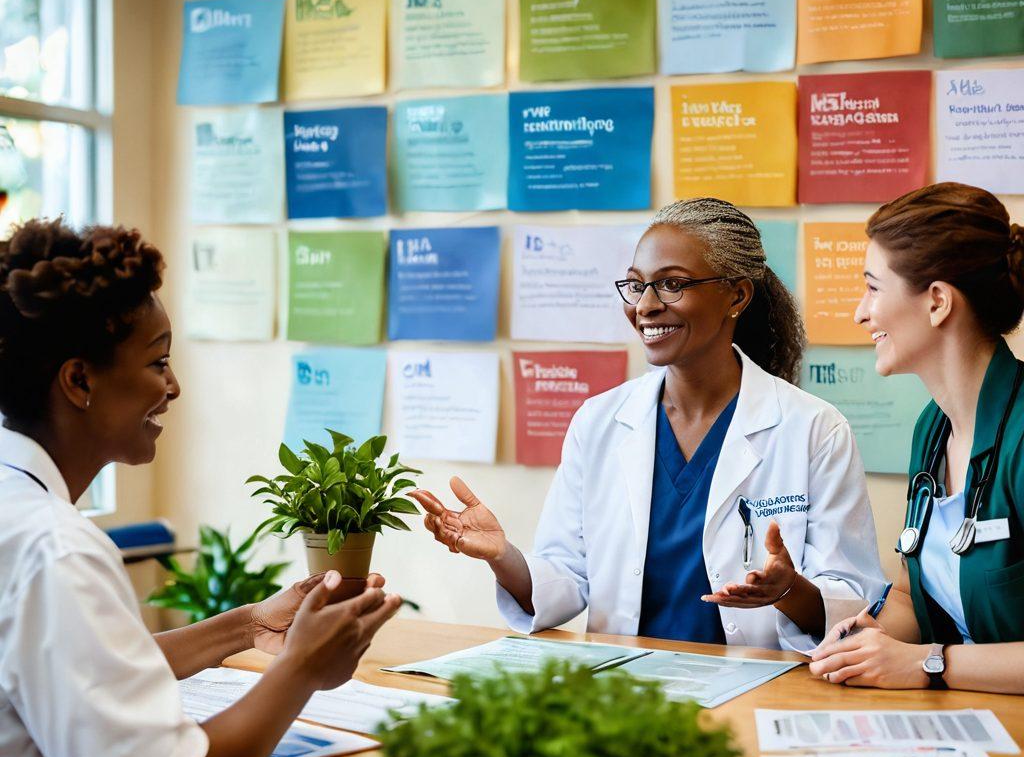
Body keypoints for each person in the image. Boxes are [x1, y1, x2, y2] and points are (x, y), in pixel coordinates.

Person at [0, 218, 402, 757]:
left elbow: (86, 667)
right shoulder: (56, 550)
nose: (173, 386)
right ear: (79, 382)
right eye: (158, 361)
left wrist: (249, 626)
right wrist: (301, 668)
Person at [412, 198, 885, 652]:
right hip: (625, 691)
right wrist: (503, 556)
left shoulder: (815, 430)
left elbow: (851, 597)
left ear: (736, 295)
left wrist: (789, 590)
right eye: (637, 285)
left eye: (672, 284)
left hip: (757, 687)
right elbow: (565, 577)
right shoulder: (598, 423)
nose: (645, 305)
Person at [811, 183, 1024, 693]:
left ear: (936, 303)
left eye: (873, 289)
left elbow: (929, 657)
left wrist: (929, 663)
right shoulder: (933, 428)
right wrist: (869, 633)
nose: (860, 313)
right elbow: (909, 595)